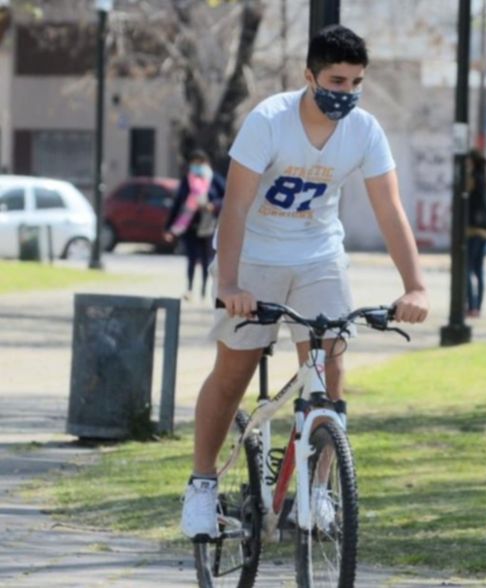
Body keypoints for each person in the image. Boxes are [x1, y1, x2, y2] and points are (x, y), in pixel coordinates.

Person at [180, 25, 429, 539]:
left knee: (330, 369)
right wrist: (229, 284)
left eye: (356, 82)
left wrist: (415, 285)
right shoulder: (269, 120)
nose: (347, 93)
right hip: (255, 254)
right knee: (233, 373)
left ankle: (318, 492)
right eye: (336, 81)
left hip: (319, 256)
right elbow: (235, 206)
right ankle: (201, 486)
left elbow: (389, 210)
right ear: (310, 76)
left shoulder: (364, 131)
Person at [165, 150, 226, 301]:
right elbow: (177, 204)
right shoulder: (187, 181)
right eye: (194, 164)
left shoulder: (215, 179)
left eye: (200, 163)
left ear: (206, 163)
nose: (196, 167)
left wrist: (213, 205)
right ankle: (190, 289)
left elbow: (227, 198)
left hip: (208, 225)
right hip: (190, 225)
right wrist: (169, 228)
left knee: (206, 259)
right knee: (191, 258)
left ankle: (204, 290)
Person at [465, 149, 486, 318]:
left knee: (467, 269)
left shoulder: (472, 178)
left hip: (473, 227)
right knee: (478, 270)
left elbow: (464, 196)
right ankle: (477, 306)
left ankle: (471, 305)